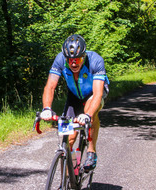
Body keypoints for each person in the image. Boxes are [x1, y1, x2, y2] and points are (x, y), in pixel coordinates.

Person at [40, 34, 109, 172]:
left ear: (83, 56)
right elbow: (50, 86)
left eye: (77, 59)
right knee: (67, 141)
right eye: (70, 60)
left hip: (94, 93)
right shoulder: (59, 60)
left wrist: (87, 114)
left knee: (91, 113)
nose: (73, 63)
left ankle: (91, 152)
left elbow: (98, 94)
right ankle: (68, 178)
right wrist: (46, 108)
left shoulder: (95, 60)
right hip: (74, 95)